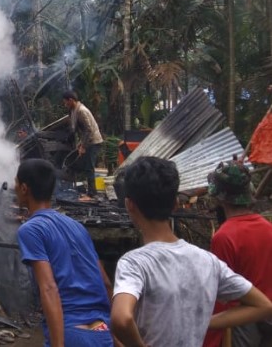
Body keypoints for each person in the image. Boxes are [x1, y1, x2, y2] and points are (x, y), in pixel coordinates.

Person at [111, 157, 272, 347]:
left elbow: (121, 318)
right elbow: (264, 305)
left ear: (129, 205)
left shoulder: (134, 263)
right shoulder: (208, 261)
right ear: (175, 204)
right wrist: (202, 322)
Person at [15, 158, 115, 347]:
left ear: (24, 189)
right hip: (103, 331)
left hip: (72, 334)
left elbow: (49, 288)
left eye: (16, 183)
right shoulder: (77, 227)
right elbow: (106, 282)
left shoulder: (31, 230)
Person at [203, 162, 272, 347]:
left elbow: (222, 291)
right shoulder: (267, 227)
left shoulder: (224, 236)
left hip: (243, 318)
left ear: (220, 198)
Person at [62, 90, 104, 197]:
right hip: (88, 141)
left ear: (71, 100)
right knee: (84, 166)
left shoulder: (81, 111)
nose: (65, 104)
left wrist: (83, 146)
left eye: (65, 102)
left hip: (93, 141)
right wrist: (80, 144)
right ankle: (85, 190)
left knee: (89, 167)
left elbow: (88, 130)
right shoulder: (75, 110)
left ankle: (92, 193)